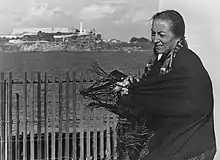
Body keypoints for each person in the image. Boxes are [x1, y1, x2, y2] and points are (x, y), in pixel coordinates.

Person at [113, 10, 216, 160]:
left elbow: (187, 104)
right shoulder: (162, 62)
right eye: (153, 34)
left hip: (192, 141)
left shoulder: (187, 62)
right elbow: (153, 88)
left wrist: (135, 94)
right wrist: (133, 87)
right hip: (174, 135)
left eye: (161, 35)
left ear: (177, 36)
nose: (155, 39)